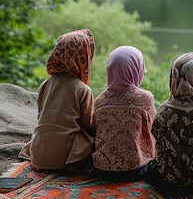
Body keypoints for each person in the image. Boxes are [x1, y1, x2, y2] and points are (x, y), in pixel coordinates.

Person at [143, 52, 193, 196]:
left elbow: (157, 142)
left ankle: (179, 185)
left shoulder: (163, 110)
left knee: (149, 168)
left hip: (169, 177)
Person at [19, 29, 96, 172]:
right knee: (94, 139)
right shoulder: (82, 90)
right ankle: (73, 165)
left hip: (37, 156)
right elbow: (90, 125)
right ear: (82, 56)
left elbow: (43, 115)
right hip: (63, 159)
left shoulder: (45, 84)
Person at [92, 45, 156, 182]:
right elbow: (154, 130)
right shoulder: (144, 99)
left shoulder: (99, 101)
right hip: (135, 170)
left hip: (101, 170)